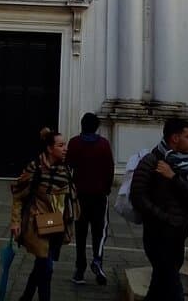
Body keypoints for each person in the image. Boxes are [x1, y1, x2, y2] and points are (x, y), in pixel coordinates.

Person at [130, 117, 188, 301]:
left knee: (160, 283)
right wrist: (163, 218)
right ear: (174, 138)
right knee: (172, 285)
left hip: (179, 235)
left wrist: (174, 178)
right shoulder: (151, 161)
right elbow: (137, 196)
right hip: (157, 235)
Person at [10, 127, 79, 301]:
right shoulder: (35, 168)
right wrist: (15, 222)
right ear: (49, 148)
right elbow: (18, 195)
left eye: (65, 145)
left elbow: (71, 197)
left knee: (42, 265)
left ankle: (26, 297)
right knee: (46, 267)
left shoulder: (67, 170)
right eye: (61, 145)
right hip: (37, 222)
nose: (65, 149)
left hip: (57, 224)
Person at [66, 112, 114, 286]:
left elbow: (68, 168)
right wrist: (106, 189)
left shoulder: (74, 143)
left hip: (80, 196)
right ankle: (97, 260)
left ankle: (80, 270)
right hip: (99, 195)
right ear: (97, 127)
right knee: (100, 232)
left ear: (81, 125)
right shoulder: (104, 145)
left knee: (80, 232)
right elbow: (110, 169)